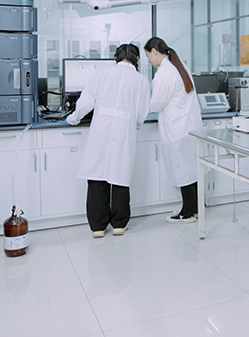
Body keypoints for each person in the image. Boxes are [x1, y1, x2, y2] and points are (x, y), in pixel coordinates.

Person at [68, 44, 150, 238]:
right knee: (120, 175)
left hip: (101, 129)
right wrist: (133, 122)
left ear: (116, 57)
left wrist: (73, 119)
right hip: (124, 130)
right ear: (137, 59)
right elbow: (142, 113)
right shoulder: (141, 81)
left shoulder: (102, 74)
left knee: (97, 175)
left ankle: (98, 227)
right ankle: (119, 224)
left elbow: (86, 102)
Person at [144, 37, 202, 223]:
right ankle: (195, 207)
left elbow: (156, 103)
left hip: (177, 128)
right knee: (190, 169)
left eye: (148, 56)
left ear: (154, 51)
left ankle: (187, 213)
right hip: (189, 126)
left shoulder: (164, 73)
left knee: (182, 170)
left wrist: (141, 106)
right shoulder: (180, 66)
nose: (148, 61)